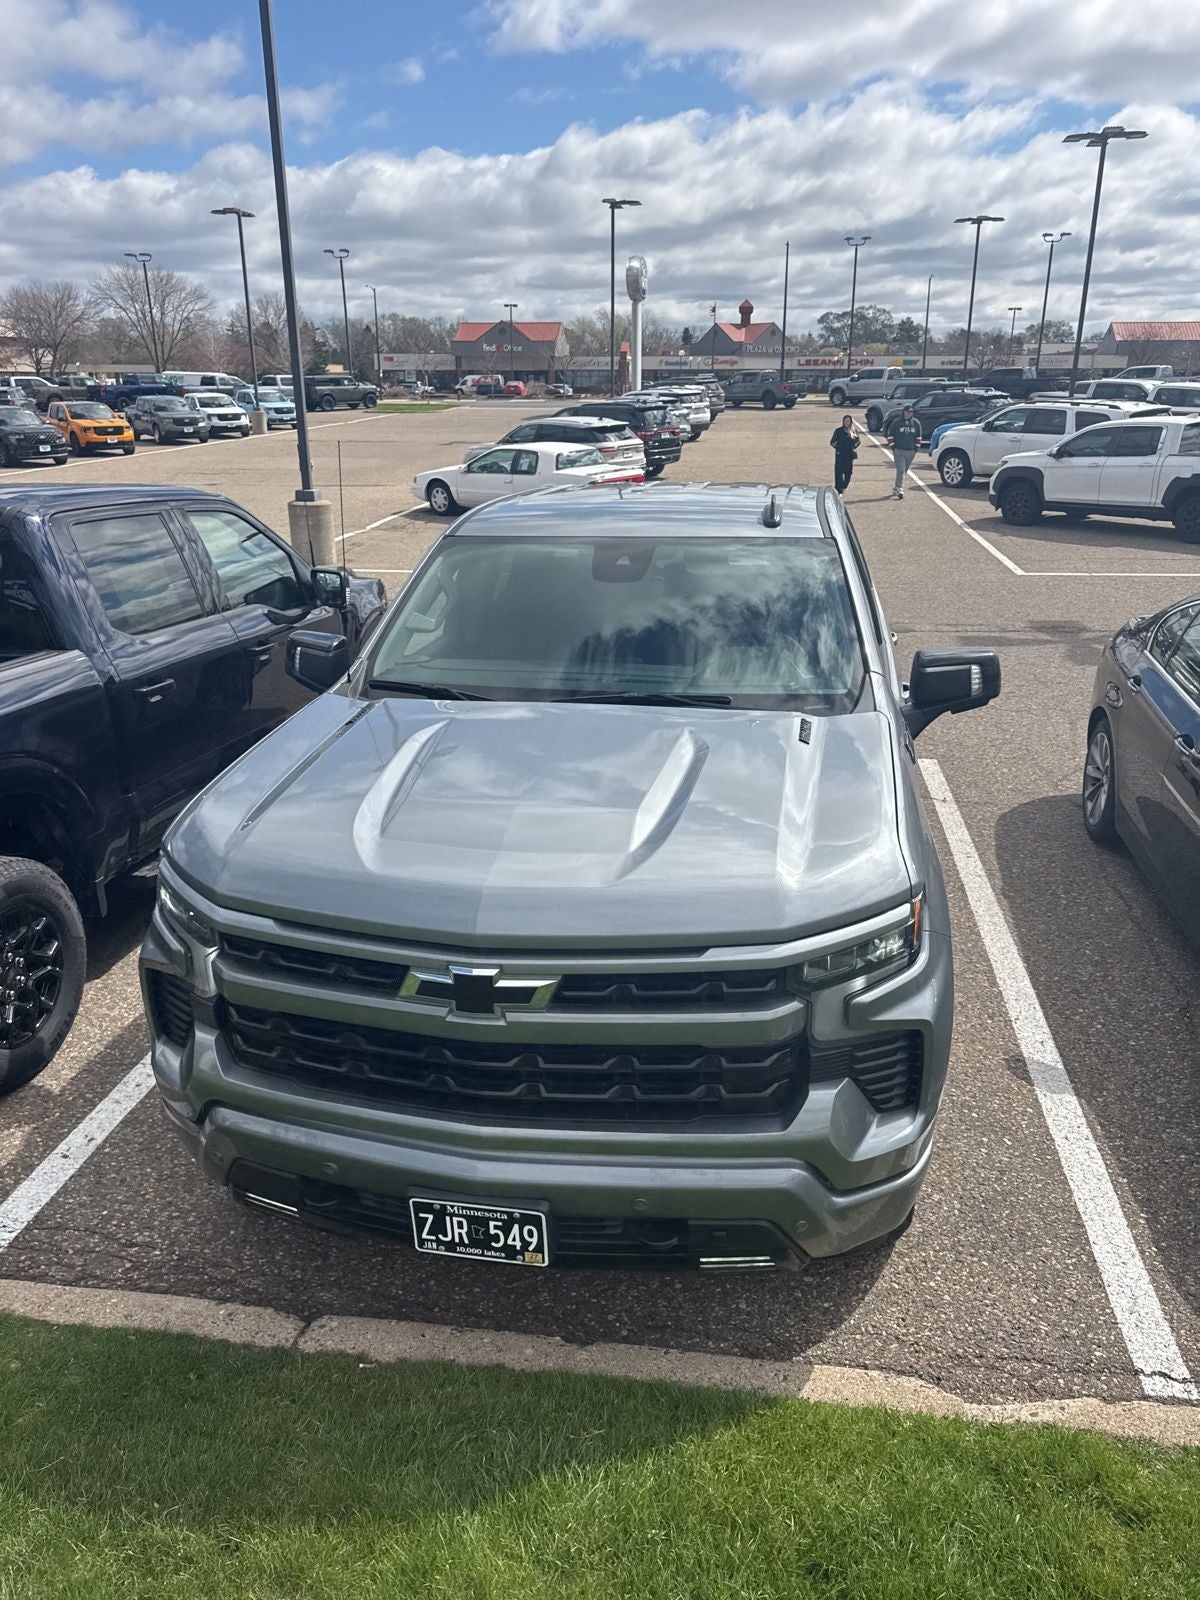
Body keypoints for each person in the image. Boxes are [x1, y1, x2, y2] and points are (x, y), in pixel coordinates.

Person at [887, 405, 921, 498]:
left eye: (911, 412)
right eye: (907, 412)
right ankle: (900, 488)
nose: (909, 414)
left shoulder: (916, 423)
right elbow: (890, 435)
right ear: (904, 412)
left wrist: (916, 449)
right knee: (901, 470)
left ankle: (895, 487)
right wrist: (893, 447)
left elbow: (918, 436)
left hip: (910, 451)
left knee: (903, 471)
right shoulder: (896, 423)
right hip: (899, 450)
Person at [829, 414, 860, 494]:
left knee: (848, 472)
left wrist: (853, 447)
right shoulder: (838, 431)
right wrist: (838, 448)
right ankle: (838, 489)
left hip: (849, 455)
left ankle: (844, 486)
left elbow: (858, 441)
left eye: (848, 421)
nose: (847, 423)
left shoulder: (853, 431)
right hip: (840, 454)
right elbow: (832, 442)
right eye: (845, 421)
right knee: (839, 472)